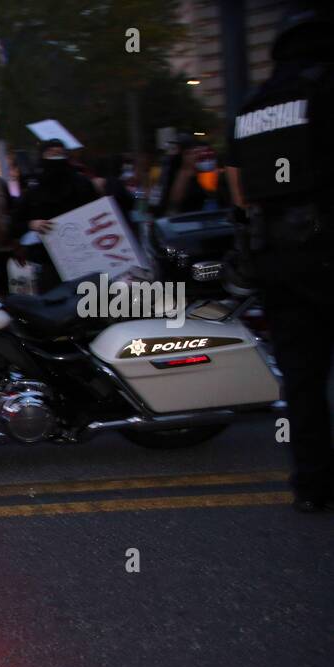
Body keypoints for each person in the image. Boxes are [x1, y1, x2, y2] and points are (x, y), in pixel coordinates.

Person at [226, 3, 334, 513]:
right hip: (323, 242)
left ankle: (312, 484)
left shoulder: (252, 105)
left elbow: (240, 191)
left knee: (302, 377)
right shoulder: (325, 86)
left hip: (275, 254)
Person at [11, 138, 98, 291]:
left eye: (60, 153)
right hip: (47, 259)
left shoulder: (82, 185)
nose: (56, 157)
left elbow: (97, 212)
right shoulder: (34, 190)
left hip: (84, 256)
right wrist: (32, 224)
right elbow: (14, 224)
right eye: (51, 153)